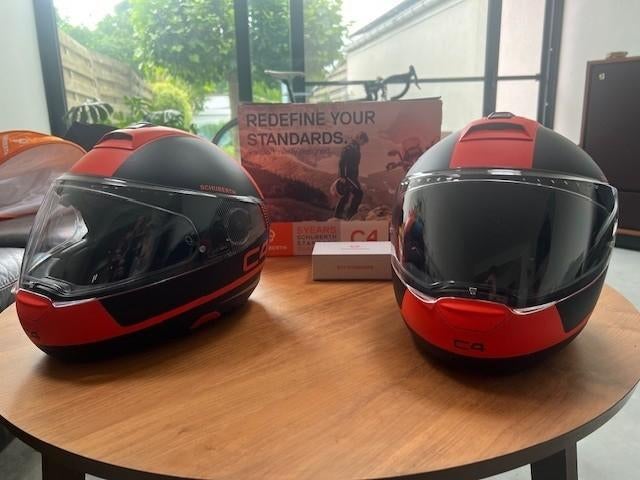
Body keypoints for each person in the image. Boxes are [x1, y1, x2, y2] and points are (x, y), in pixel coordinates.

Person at [334, 131, 368, 219]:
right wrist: (342, 176)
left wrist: (356, 177)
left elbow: (355, 165)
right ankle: (351, 214)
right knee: (358, 193)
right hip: (348, 176)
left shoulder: (356, 148)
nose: (363, 144)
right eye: (363, 141)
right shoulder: (348, 148)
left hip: (353, 176)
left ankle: (339, 215)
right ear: (359, 138)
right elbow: (342, 162)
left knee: (346, 195)